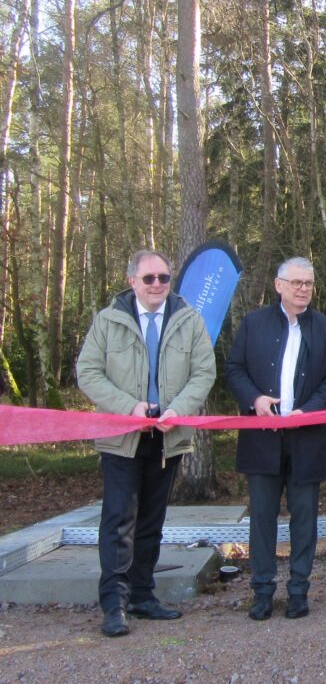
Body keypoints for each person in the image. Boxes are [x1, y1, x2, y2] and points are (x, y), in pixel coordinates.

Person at [77, 249, 216, 637]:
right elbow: (87, 372)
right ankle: (114, 604)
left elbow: (205, 372)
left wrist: (177, 410)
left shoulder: (190, 320)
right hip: (121, 437)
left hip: (167, 437)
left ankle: (142, 594)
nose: (158, 284)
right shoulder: (108, 321)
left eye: (164, 277)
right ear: (132, 281)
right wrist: (129, 408)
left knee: (151, 522)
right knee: (119, 520)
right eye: (149, 278)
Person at [226, 257, 326, 621]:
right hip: (262, 438)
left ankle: (299, 591)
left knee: (304, 519)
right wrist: (255, 399)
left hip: (306, 439)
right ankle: (262, 591)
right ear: (279, 285)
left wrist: (307, 411)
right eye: (296, 282)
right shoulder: (253, 324)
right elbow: (234, 368)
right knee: (262, 517)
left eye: (308, 283)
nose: (303, 289)